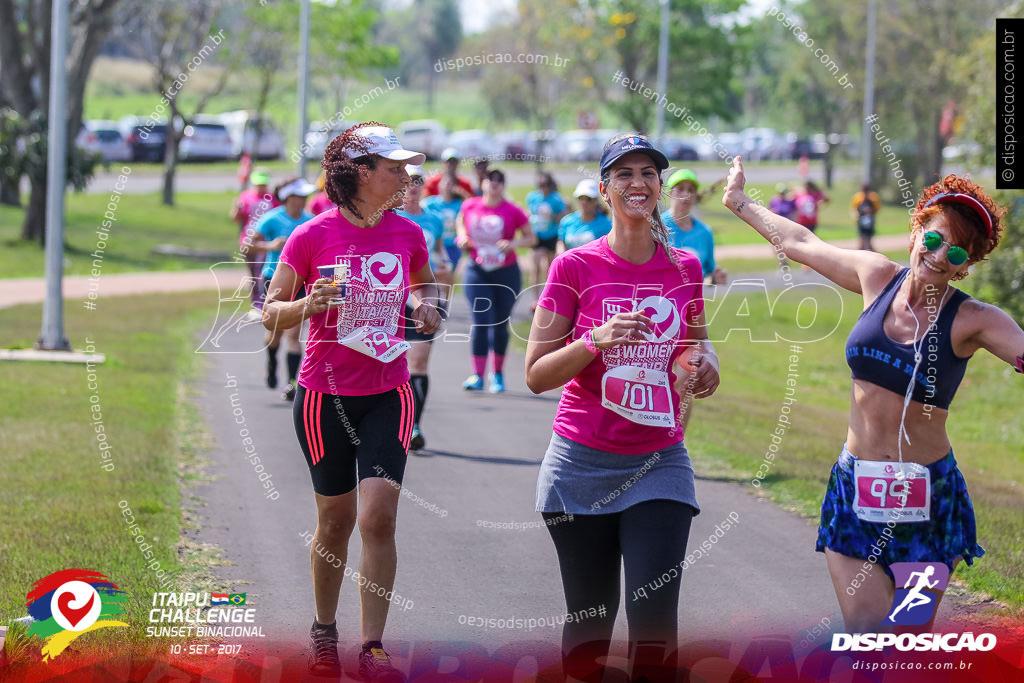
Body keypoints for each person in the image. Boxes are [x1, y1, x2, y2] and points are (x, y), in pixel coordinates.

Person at [723, 157, 1024, 633]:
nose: (940, 254)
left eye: (958, 252)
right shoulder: (876, 276)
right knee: (867, 636)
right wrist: (739, 201)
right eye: (933, 238)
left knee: (904, 641)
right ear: (915, 232)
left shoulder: (976, 320)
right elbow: (802, 243)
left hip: (928, 497)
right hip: (856, 487)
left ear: (967, 266)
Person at [526, 133, 720, 681]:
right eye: (625, 174)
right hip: (579, 465)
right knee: (590, 630)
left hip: (659, 463)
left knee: (655, 623)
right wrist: (595, 341)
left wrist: (705, 369)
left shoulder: (684, 267)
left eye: (648, 173)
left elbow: (695, 347)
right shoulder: (573, 267)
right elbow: (536, 374)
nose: (638, 183)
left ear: (659, 187)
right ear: (606, 190)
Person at [262, 122, 441, 679]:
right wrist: (307, 306)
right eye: (395, 167)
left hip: (389, 390)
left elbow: (427, 287)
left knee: (378, 517)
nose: (407, 177)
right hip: (324, 398)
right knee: (335, 521)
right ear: (362, 173)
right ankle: (323, 629)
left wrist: (428, 307)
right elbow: (270, 312)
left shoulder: (410, 234)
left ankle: (372, 647)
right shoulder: (310, 236)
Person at [456, 168, 535, 393]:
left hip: (506, 272)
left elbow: (531, 238)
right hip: (477, 270)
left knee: (500, 323)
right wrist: (462, 237)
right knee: (481, 320)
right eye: (491, 179)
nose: (495, 184)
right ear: (483, 183)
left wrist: (513, 245)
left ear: (504, 185)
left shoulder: (512, 210)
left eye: (500, 180)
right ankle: (477, 375)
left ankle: (498, 375)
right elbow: (461, 221)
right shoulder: (470, 205)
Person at [396, 164, 451, 451]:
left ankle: (414, 425)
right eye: (409, 180)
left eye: (418, 181)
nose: (413, 186)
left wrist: (443, 271)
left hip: (425, 300)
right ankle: (389, 420)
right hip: (392, 303)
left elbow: (440, 256)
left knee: (417, 362)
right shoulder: (390, 217)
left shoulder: (434, 220)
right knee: (392, 362)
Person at [249, 177, 316, 400]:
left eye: (306, 196)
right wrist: (270, 245)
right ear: (288, 198)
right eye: (299, 196)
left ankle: (291, 383)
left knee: (294, 333)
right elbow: (248, 245)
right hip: (273, 279)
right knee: (275, 333)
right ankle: (271, 360)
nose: (304, 200)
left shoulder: (310, 221)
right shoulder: (272, 219)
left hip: (301, 281)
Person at [661, 169, 727, 285]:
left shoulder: (705, 232)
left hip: (692, 301)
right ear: (670, 193)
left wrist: (714, 279)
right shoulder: (656, 227)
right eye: (680, 189)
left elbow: (706, 275)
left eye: (691, 190)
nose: (686, 194)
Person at [233, 167, 279, 314]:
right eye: (258, 184)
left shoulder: (272, 198)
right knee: (253, 274)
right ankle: (255, 304)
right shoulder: (245, 197)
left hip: (267, 242)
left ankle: (264, 303)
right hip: (248, 241)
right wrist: (237, 209)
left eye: (263, 184)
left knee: (262, 272)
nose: (261, 187)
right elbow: (235, 218)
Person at [526, 172, 568, 309]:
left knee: (550, 268)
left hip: (551, 235)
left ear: (550, 186)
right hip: (537, 235)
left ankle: (549, 296)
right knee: (535, 265)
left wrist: (552, 216)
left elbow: (563, 215)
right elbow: (529, 212)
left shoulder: (556, 199)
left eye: (545, 185)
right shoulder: (533, 197)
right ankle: (535, 299)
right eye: (540, 185)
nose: (543, 188)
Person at [423, 174, 469, 272]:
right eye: (445, 183)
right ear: (439, 185)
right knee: (434, 273)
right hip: (435, 245)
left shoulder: (459, 204)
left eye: (450, 184)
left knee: (449, 274)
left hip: (452, 245)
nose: (447, 186)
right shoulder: (430, 203)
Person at [557, 179, 611, 251]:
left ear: (596, 201)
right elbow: (561, 243)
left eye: (588, 199)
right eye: (581, 198)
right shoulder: (566, 221)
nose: (584, 202)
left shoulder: (606, 224)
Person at [852, 182, 883, 251]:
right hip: (861, 220)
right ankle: (860, 254)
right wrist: (856, 215)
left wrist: (871, 211)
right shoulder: (858, 197)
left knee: (869, 240)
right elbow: (854, 208)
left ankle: (872, 254)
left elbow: (878, 208)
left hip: (870, 220)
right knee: (861, 240)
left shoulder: (873, 197)